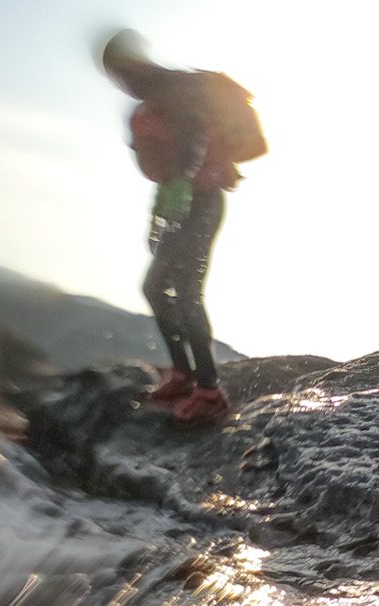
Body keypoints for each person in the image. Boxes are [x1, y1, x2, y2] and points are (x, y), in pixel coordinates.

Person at [98, 30, 265, 428]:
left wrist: (181, 186)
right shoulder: (158, 96)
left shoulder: (174, 90)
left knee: (186, 291)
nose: (120, 80)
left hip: (201, 200)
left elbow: (192, 138)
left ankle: (209, 391)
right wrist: (162, 208)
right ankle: (184, 375)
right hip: (185, 200)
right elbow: (171, 159)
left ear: (130, 63)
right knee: (157, 287)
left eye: (119, 70)